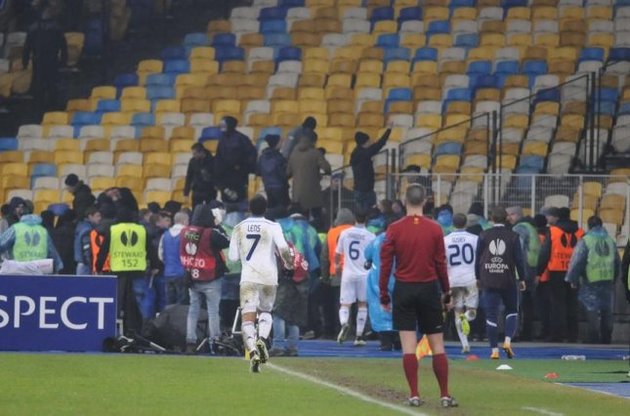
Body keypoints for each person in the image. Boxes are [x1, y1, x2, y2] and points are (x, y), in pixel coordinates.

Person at [380, 184, 456, 408]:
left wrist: (384, 294)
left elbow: (386, 264)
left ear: (405, 201)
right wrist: (447, 291)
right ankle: (444, 394)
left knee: (408, 346)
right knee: (437, 344)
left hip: (404, 288)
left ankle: (414, 394)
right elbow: (440, 263)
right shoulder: (434, 229)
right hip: (428, 288)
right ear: (425, 201)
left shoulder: (394, 228)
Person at [228, 195, 293, 372]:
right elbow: (283, 248)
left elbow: (232, 257)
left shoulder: (238, 228)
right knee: (266, 311)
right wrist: (289, 264)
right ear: (266, 209)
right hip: (268, 277)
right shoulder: (273, 226)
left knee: (247, 317)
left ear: (249, 208)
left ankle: (253, 351)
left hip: (248, 277)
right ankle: (262, 340)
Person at [475, 206, 527, 359]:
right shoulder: (513, 236)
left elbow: (477, 259)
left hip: (488, 279)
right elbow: (519, 259)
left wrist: (478, 277)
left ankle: (494, 350)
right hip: (508, 279)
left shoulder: (483, 235)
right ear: (506, 219)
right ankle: (507, 341)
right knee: (511, 310)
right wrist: (522, 278)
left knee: (491, 314)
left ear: (491, 219)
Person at [96, 208, 156, 336]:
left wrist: (99, 267)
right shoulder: (141, 230)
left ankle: (115, 332)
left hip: (119, 271)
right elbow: (150, 249)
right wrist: (155, 265)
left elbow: (103, 250)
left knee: (117, 303)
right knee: (139, 302)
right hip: (138, 270)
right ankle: (144, 331)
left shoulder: (113, 230)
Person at [180, 204, 229, 354]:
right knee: (213, 311)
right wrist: (218, 225)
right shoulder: (211, 233)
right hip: (210, 277)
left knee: (193, 310)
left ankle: (190, 341)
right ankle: (215, 341)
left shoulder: (184, 232)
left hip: (192, 277)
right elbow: (227, 241)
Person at [565, 216, 620, 344]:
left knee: (592, 309)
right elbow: (617, 261)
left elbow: (577, 261)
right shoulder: (610, 240)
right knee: (607, 309)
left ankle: (593, 337)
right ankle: (607, 337)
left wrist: (572, 278)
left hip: (591, 278)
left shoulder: (586, 240)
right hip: (607, 277)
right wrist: (615, 277)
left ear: (589, 226)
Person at [537, 206, 584, 342]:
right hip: (574, 271)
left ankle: (557, 334)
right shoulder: (580, 232)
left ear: (558, 217)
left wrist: (539, 272)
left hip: (556, 271)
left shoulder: (552, 231)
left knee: (557, 304)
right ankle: (572, 335)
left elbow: (545, 253)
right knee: (572, 303)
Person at [334, 208, 375, 346]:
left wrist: (337, 265)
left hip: (348, 273)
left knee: (345, 304)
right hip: (364, 273)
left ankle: (344, 323)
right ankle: (358, 336)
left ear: (354, 219)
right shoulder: (370, 236)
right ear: (367, 220)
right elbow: (373, 257)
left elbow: (337, 253)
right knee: (362, 304)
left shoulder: (345, 233)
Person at [22, 1, 67, 110]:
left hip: (45, 59)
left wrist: (25, 61)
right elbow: (63, 46)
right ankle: (46, 107)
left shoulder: (37, 28)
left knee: (47, 85)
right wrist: (63, 60)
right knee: (46, 85)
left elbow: (27, 48)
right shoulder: (55, 28)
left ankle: (47, 107)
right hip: (45, 59)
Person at [444, 213, 479, 354]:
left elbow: (443, 261)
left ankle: (465, 345)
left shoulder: (445, 240)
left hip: (453, 279)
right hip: (471, 278)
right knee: (472, 311)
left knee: (457, 311)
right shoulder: (475, 239)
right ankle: (465, 319)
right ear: (466, 223)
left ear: (452, 223)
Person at [506, 205, 541, 341]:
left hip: (522, 271)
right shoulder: (531, 228)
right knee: (528, 304)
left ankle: (516, 332)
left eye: (512, 214)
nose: (509, 217)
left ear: (519, 215)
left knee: (518, 304)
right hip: (532, 269)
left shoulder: (519, 229)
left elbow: (517, 251)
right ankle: (527, 331)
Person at [319, 208, 355, 339]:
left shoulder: (332, 233)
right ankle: (356, 331)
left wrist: (325, 276)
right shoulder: (359, 232)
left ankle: (342, 328)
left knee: (340, 305)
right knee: (356, 305)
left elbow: (324, 257)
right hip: (356, 274)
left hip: (338, 276)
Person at [364, 219, 397, 351]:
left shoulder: (377, 241)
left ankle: (385, 342)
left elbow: (367, 254)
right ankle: (400, 340)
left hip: (378, 281)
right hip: (399, 279)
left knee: (380, 310)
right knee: (400, 310)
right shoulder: (402, 239)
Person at [287, 134, 332, 231]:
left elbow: (287, 173)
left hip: (298, 194)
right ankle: (317, 235)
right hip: (313, 192)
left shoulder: (294, 154)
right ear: (313, 142)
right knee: (317, 217)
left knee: (301, 219)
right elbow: (327, 168)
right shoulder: (315, 153)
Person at [214, 116, 257, 210]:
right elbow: (218, 159)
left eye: (224, 124)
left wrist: (242, 167)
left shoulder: (242, 139)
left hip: (239, 178)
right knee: (227, 205)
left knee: (240, 203)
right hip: (225, 178)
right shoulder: (222, 140)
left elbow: (251, 155)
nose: (222, 127)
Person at [0, 208, 63, 272]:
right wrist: (58, 266)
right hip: (39, 270)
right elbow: (52, 252)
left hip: (19, 270)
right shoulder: (43, 231)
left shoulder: (16, 228)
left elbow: (2, 244)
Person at [350, 126, 392, 212]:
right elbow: (379, 144)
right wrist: (389, 130)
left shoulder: (355, 153)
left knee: (359, 214)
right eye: (369, 141)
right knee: (370, 213)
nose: (370, 143)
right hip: (366, 191)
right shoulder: (364, 154)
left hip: (358, 189)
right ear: (365, 142)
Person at [158, 211, 189, 306]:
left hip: (168, 272)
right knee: (183, 303)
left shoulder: (165, 235)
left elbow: (160, 254)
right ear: (184, 221)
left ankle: (170, 320)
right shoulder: (188, 233)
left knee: (170, 302)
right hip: (182, 273)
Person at [257, 134, 289, 211]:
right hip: (281, 188)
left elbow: (258, 172)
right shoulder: (279, 157)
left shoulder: (262, 157)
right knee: (282, 211)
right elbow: (284, 173)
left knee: (271, 209)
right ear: (276, 143)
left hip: (268, 187)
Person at [184, 143, 216, 207]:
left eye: (195, 154)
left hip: (210, 191)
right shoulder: (193, 161)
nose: (194, 155)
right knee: (196, 212)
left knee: (210, 211)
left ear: (201, 152)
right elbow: (189, 177)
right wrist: (186, 192)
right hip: (197, 191)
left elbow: (216, 176)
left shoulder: (213, 161)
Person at [74, 206, 102, 275]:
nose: (100, 218)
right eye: (97, 216)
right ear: (90, 216)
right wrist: (92, 265)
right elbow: (87, 250)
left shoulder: (81, 226)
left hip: (81, 264)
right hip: (86, 266)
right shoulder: (88, 230)